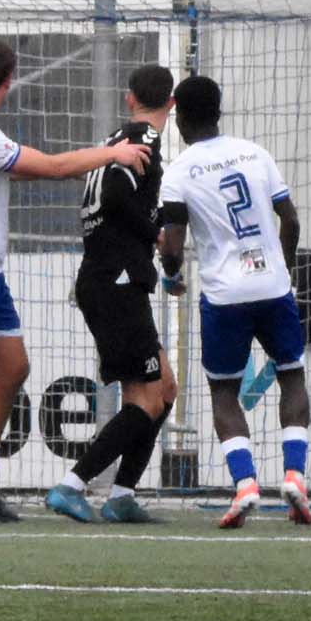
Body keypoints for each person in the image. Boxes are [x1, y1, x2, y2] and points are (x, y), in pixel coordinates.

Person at [0, 37, 150, 524]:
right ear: (10, 79)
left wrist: (78, 163)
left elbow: (14, 169)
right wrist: (112, 154)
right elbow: (52, 168)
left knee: (12, 367)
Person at [156, 75, 311, 529]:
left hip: (225, 295)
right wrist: (281, 270)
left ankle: (245, 484)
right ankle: (295, 477)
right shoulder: (255, 154)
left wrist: (171, 275)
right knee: (291, 375)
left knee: (224, 391)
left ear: (179, 116)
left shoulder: (179, 172)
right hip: (272, 287)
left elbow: (172, 244)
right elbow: (291, 220)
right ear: (219, 111)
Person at [45, 63, 179, 525]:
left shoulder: (114, 141)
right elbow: (119, 195)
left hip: (108, 279)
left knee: (163, 389)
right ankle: (71, 485)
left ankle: (122, 494)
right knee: (147, 399)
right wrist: (155, 232)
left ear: (130, 98)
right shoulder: (146, 139)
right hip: (117, 281)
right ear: (171, 104)